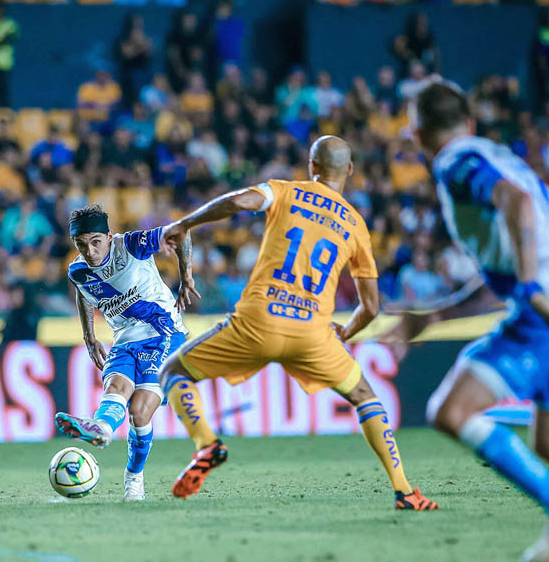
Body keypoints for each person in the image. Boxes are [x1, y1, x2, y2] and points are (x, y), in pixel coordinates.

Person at [156, 136, 438, 511]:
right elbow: (371, 306)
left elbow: (239, 201)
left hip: (257, 322)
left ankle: (207, 443)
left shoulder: (285, 192)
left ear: (312, 167)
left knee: (173, 370)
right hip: (313, 333)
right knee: (365, 397)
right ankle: (405, 491)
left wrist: (185, 223)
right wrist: (345, 333)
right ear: (350, 171)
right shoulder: (355, 225)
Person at [412, 82, 549, 561]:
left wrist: (532, 286)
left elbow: (516, 201)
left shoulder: (454, 161)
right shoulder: (497, 153)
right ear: (468, 121)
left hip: (540, 313)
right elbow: (502, 273)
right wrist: (438, 315)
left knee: (452, 411)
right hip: (535, 307)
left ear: (417, 133)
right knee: (547, 444)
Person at [54, 204, 199, 501]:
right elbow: (84, 294)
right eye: (81, 245)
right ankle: (102, 429)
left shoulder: (132, 244)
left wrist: (186, 277)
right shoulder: (77, 270)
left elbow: (181, 232)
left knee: (139, 412)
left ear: (109, 236)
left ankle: (134, 477)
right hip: (123, 341)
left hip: (164, 334)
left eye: (96, 242)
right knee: (116, 386)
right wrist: (89, 335)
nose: (90, 252)